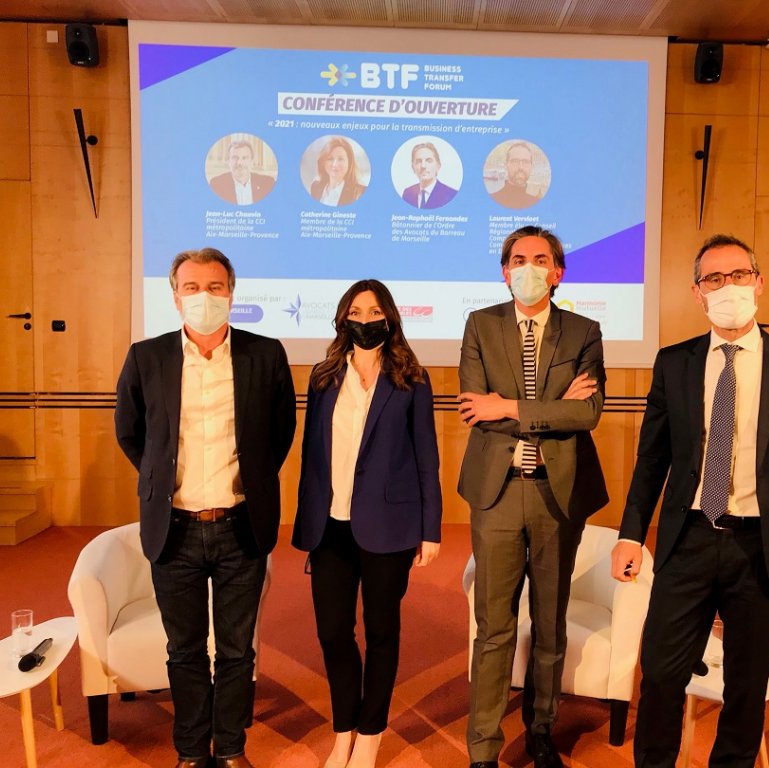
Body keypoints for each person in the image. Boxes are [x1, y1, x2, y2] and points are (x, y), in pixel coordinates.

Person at [610, 234, 769, 768]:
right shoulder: (674, 362)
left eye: (739, 275)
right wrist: (631, 533)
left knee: (746, 684)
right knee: (661, 673)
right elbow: (651, 459)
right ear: (698, 293)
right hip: (689, 539)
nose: (728, 287)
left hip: (762, 546)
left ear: (759, 283)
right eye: (714, 279)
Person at [114, 247, 296, 768]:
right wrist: (159, 478)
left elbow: (279, 433)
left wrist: (252, 481)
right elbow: (132, 435)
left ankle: (232, 748)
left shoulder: (265, 354)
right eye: (192, 288)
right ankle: (192, 752)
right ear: (175, 297)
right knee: (186, 650)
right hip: (175, 530)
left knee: (238, 651)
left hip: (241, 525)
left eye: (215, 287)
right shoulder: (146, 357)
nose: (204, 298)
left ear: (231, 293)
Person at [457, 226, 607, 768]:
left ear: (557, 272)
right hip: (496, 494)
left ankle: (541, 729)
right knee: (493, 627)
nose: (528, 267)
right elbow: (477, 409)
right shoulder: (481, 324)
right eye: (518, 259)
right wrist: (549, 407)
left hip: (556, 494)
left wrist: (511, 407)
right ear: (504, 270)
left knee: (550, 622)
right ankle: (483, 748)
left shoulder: (584, 331)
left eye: (539, 259)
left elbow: (587, 413)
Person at [292, 279, 442, 768]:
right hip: (329, 526)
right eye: (356, 310)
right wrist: (305, 518)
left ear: (389, 317)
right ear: (343, 318)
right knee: (332, 632)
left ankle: (371, 733)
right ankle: (344, 730)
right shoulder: (322, 376)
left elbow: (426, 457)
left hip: (390, 528)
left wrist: (431, 528)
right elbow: (311, 456)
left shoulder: (411, 379)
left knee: (381, 632)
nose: (364, 318)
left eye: (373, 310)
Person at [209, 139, 276, 205]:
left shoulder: (268, 183)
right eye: (235, 158)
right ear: (228, 161)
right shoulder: (216, 184)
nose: (239, 163)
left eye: (244, 158)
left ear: (252, 162)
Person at [309, 137, 366, 207]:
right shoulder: (315, 187)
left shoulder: (359, 193)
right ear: (323, 162)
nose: (335, 164)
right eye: (330, 159)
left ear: (349, 163)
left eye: (340, 159)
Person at [400, 141, 457, 209]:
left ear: (438, 166)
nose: (423, 166)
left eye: (429, 161)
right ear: (413, 167)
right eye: (418, 161)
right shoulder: (408, 193)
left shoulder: (451, 195)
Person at [491, 142, 541, 209]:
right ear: (506, 165)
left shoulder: (536, 202)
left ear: (531, 166)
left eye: (525, 162)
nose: (520, 167)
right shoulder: (493, 199)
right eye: (515, 161)